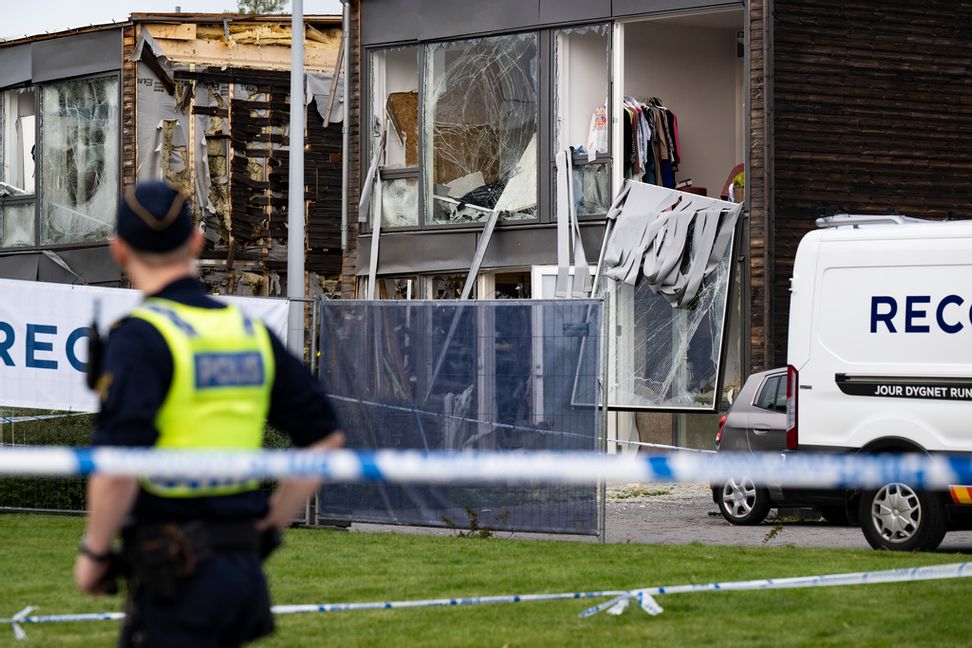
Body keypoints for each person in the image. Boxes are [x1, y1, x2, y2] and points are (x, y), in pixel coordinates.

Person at [73, 181, 344, 647]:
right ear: (197, 242)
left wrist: (94, 554)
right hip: (240, 577)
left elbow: (117, 467)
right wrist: (266, 530)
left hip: (174, 579)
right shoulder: (246, 331)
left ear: (119, 251)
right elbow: (324, 441)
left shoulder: (140, 338)